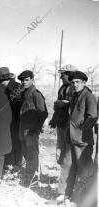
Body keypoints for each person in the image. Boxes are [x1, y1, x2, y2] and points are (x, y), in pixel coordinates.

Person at [62, 71, 97, 203]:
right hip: (71, 138)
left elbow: (93, 115)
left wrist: (82, 130)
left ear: (84, 83)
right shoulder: (75, 96)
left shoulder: (88, 96)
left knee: (84, 168)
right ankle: (65, 194)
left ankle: (86, 198)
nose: (75, 84)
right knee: (67, 165)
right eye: (73, 82)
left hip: (82, 140)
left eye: (77, 82)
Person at [48, 64, 77, 204]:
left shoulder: (74, 88)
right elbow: (58, 108)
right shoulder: (62, 87)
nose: (61, 76)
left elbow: (73, 105)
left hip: (69, 126)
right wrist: (54, 120)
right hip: (61, 124)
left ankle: (65, 188)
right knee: (61, 153)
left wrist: (61, 103)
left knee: (67, 156)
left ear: (70, 74)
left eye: (63, 74)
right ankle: (63, 182)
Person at [17, 70, 48, 185]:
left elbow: (43, 113)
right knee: (26, 151)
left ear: (32, 80)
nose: (24, 82)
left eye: (26, 80)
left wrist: (36, 127)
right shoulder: (24, 93)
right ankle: (30, 173)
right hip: (23, 128)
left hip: (31, 129)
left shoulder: (36, 94)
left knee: (32, 153)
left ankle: (33, 178)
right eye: (22, 80)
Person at [0, 67, 23, 168]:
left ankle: (17, 163)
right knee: (8, 141)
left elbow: (18, 107)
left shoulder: (18, 87)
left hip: (16, 119)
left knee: (16, 142)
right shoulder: (2, 88)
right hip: (7, 120)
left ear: (5, 80)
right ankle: (9, 163)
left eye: (0, 81)